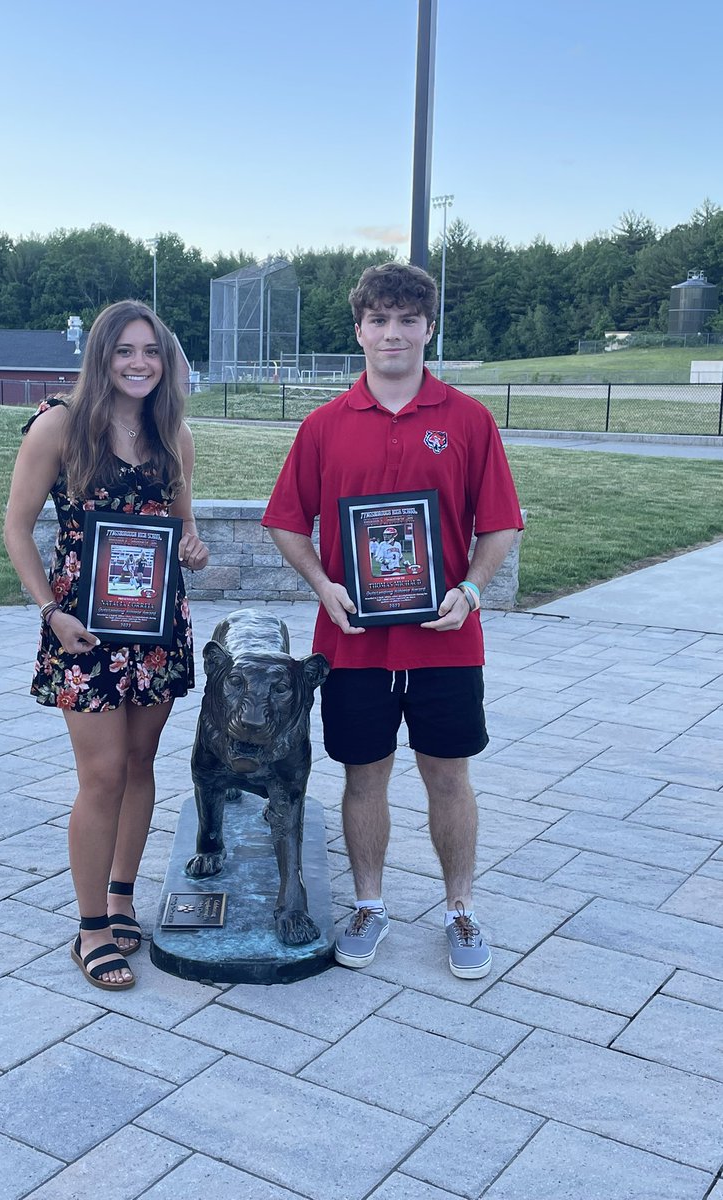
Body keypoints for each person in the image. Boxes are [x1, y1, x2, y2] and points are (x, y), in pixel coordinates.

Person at [262, 262, 523, 980]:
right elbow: (286, 522)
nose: (393, 333)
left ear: (428, 326)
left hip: (445, 641)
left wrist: (469, 590)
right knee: (363, 778)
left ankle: (460, 908)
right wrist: (323, 585)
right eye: (379, 320)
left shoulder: (468, 420)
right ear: (359, 330)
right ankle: (370, 904)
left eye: (408, 319)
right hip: (353, 645)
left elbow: (499, 525)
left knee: (448, 775)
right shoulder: (323, 426)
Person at [4, 300, 209, 990]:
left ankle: (122, 895)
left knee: (143, 760)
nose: (139, 363)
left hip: (154, 629)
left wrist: (194, 545)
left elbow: (181, 528)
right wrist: (49, 611)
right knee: (101, 775)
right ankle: (91, 926)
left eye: (151, 351)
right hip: (82, 631)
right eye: (125, 351)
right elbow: (15, 528)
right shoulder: (60, 425)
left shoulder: (172, 432)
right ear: (101, 356)